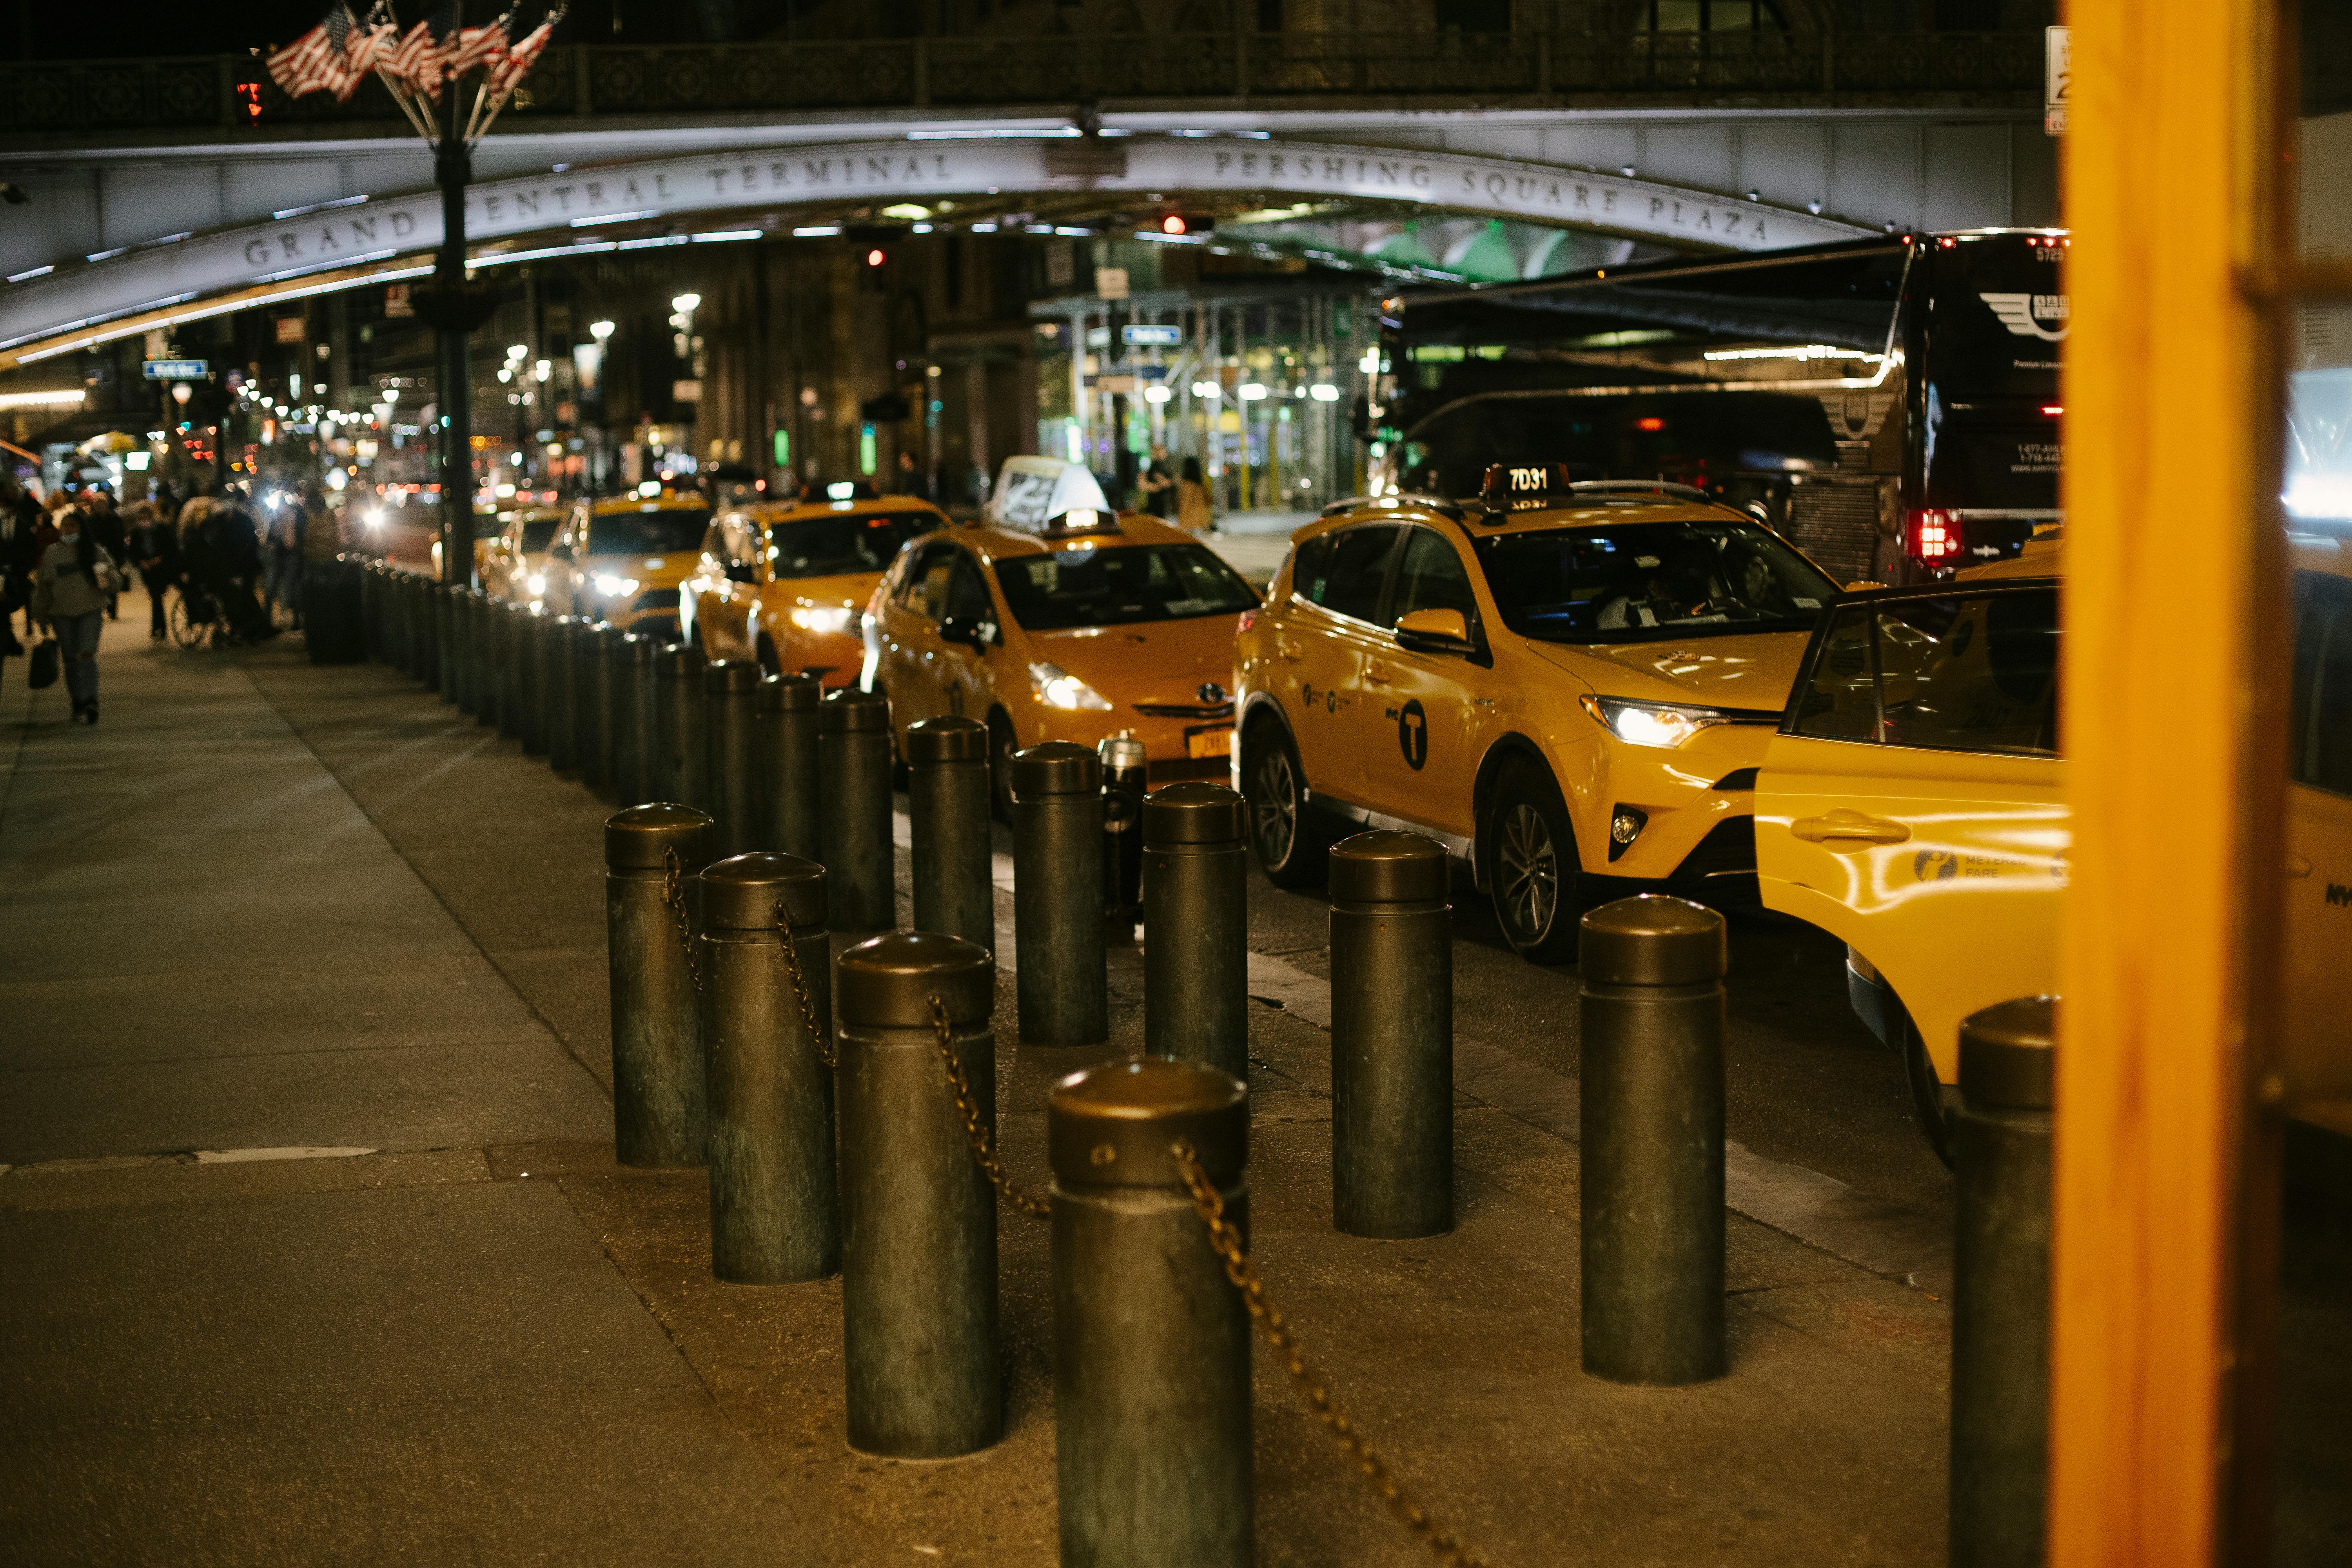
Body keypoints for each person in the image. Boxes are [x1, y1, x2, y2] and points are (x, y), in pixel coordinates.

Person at [30, 501, 121, 723]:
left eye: (73, 526)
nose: (69, 530)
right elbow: (43, 588)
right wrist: (40, 615)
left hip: (90, 611)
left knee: (87, 655)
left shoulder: (96, 552)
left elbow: (116, 583)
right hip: (61, 615)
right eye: (66, 526)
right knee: (71, 660)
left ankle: (91, 699)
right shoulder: (53, 554)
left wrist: (108, 578)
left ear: (82, 528)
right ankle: (78, 700)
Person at [125, 497, 178, 640]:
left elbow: (170, 548)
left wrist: (160, 559)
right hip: (147, 570)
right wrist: (141, 562)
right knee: (156, 597)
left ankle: (159, 628)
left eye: (146, 517)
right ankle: (159, 628)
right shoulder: (136, 532)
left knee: (156, 597)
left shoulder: (161, 529)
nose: (145, 520)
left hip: (161, 568)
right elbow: (133, 552)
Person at [81, 485, 127, 621]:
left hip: (114, 555)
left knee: (112, 580)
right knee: (99, 583)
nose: (100, 506)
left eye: (103, 504)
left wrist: (121, 556)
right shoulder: (90, 522)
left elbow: (121, 537)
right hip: (97, 557)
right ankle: (101, 608)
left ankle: (113, 610)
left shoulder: (115, 519)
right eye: (98, 504)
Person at [1176, 455, 1215, 534]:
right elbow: (1209, 501)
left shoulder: (1185, 486)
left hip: (1187, 521)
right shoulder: (1202, 486)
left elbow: (1181, 503)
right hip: (1202, 520)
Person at [1138, 443, 1176, 519]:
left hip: (1155, 501)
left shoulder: (1155, 466)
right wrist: (1172, 481)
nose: (1165, 453)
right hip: (1158, 501)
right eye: (1163, 451)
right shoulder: (1158, 467)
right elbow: (1163, 483)